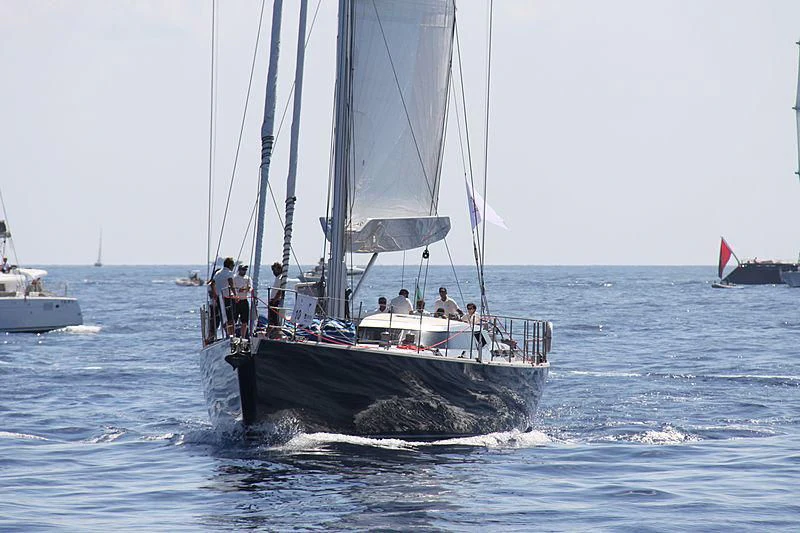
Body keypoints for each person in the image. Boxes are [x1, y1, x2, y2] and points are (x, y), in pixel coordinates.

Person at [212, 257, 236, 335]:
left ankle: (227, 334)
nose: (233, 267)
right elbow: (231, 284)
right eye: (233, 265)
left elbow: (212, 284)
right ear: (230, 265)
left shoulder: (217, 273)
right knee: (231, 318)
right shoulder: (229, 273)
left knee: (224, 317)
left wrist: (215, 294)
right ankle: (231, 334)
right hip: (227, 298)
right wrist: (236, 295)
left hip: (219, 298)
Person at [233, 264, 252, 337]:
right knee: (234, 320)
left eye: (245, 270)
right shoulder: (234, 278)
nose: (244, 271)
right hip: (236, 301)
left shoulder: (248, 278)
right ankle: (233, 335)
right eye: (243, 269)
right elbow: (232, 288)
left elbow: (250, 288)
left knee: (245, 321)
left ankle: (243, 336)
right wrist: (239, 290)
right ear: (239, 270)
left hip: (244, 300)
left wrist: (248, 289)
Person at [268, 261, 283, 331]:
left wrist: (274, 299)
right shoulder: (278, 277)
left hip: (275, 301)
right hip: (273, 300)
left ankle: (277, 331)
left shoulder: (281, 278)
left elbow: (280, 290)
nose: (273, 272)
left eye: (274, 270)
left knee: (274, 319)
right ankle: (271, 332)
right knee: (271, 318)